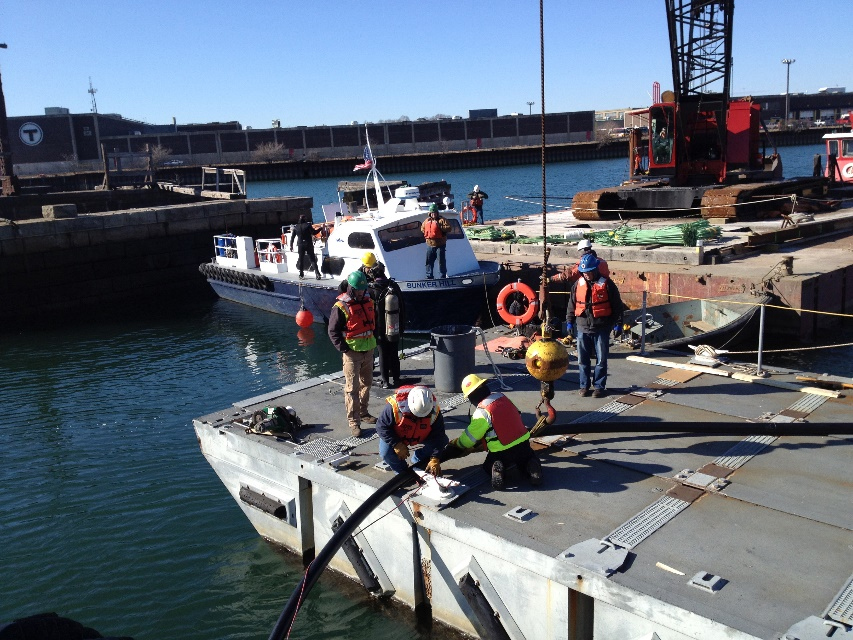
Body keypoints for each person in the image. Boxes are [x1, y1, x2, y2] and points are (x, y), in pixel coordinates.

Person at [449, 374, 542, 490]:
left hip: (501, 450)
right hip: (523, 443)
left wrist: (457, 443)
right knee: (526, 458)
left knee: (488, 466)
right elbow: (517, 413)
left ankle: (497, 469)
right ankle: (531, 466)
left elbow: (469, 439)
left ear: (470, 397)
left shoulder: (481, 413)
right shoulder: (502, 397)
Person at [566, 254, 624, 398]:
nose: (586, 275)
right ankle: (584, 386)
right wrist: (569, 321)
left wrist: (618, 325)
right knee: (582, 360)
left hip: (601, 327)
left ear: (595, 270)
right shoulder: (577, 285)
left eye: (589, 272)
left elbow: (617, 307)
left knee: (601, 359)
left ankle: (599, 386)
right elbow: (571, 305)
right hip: (582, 327)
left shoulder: (608, 284)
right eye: (584, 272)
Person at [328, 271, 377, 437]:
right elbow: (332, 331)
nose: (361, 293)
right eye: (358, 290)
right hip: (352, 353)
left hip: (368, 350)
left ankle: (363, 412)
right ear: (351, 289)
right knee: (351, 388)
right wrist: (344, 349)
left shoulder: (368, 300)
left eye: (363, 290)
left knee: (367, 383)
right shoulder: (341, 307)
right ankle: (354, 422)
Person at [376, 385, 447, 476]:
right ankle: (401, 471)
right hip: (397, 435)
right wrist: (396, 444)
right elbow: (381, 427)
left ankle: (418, 460)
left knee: (443, 440)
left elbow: (439, 436)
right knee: (386, 453)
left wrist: (435, 458)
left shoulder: (434, 410)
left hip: (422, 434)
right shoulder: (394, 407)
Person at [368, 263, 405, 388]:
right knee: (394, 352)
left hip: (378, 329)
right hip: (394, 326)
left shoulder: (371, 289)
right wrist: (402, 327)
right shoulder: (394, 286)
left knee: (382, 353)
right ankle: (396, 379)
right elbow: (402, 306)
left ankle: (385, 381)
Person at [420, 203, 451, 279]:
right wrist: (427, 233)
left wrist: (439, 227)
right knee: (429, 262)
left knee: (441, 262)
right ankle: (429, 276)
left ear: (437, 213)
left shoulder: (442, 220)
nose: (433, 214)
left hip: (440, 245)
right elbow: (422, 228)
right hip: (430, 245)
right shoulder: (426, 221)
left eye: (435, 213)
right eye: (432, 213)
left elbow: (449, 228)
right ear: (430, 213)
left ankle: (442, 276)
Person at [289, 215, 322, 280]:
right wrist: (321, 228)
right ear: (304, 219)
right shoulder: (308, 225)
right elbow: (314, 232)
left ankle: (301, 274)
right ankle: (317, 274)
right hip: (308, 244)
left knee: (301, 259)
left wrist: (291, 246)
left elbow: (292, 238)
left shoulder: (296, 227)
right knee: (312, 259)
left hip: (300, 245)